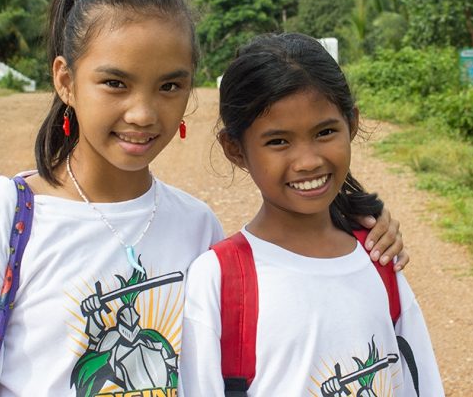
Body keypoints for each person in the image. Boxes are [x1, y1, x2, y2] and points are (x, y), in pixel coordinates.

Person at [0, 0, 405, 396]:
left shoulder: (196, 226)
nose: (143, 113)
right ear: (65, 81)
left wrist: (358, 223)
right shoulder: (9, 216)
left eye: (170, 85)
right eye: (115, 83)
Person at [179, 33, 445, 396]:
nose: (308, 161)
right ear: (235, 149)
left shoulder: (377, 258)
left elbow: (420, 382)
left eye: (325, 132)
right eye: (278, 141)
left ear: (351, 124)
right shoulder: (219, 278)